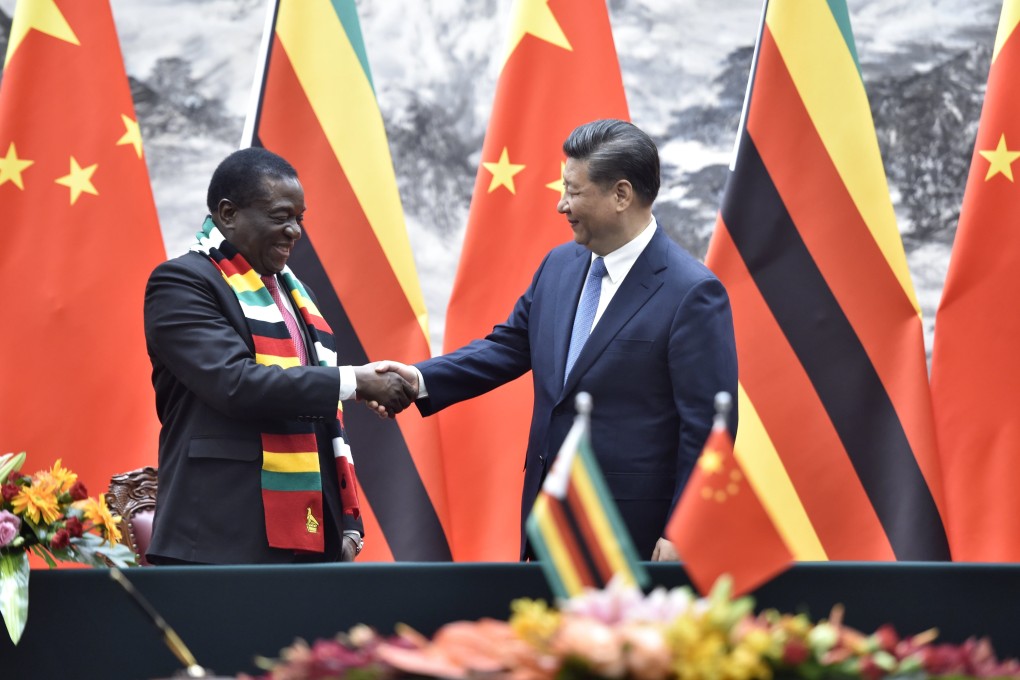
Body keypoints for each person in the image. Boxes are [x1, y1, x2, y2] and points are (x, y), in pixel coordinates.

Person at [377, 119, 738, 561]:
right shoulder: (559, 265)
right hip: (545, 524)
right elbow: (507, 348)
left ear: (621, 195)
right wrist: (417, 379)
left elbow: (709, 428)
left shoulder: (691, 292)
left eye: (573, 190)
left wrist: (683, 531)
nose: (561, 205)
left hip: (631, 539)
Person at [143, 147, 415, 565]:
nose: (294, 231)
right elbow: (235, 383)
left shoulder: (296, 294)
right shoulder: (181, 283)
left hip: (308, 537)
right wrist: (356, 381)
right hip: (220, 539)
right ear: (228, 213)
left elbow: (316, 413)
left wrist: (347, 524)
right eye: (280, 216)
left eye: (299, 218)